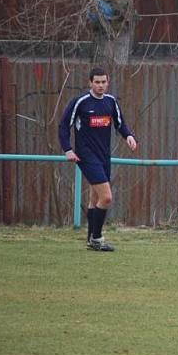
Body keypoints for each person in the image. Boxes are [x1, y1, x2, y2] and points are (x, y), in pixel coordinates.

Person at [58, 67, 138, 251]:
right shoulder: (80, 102)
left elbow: (120, 124)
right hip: (86, 155)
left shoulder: (110, 102)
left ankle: (90, 240)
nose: (101, 85)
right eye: (97, 82)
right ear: (90, 83)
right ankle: (97, 238)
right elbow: (63, 126)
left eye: (104, 82)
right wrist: (67, 149)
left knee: (95, 199)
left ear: (108, 82)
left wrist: (129, 136)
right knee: (107, 197)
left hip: (104, 156)